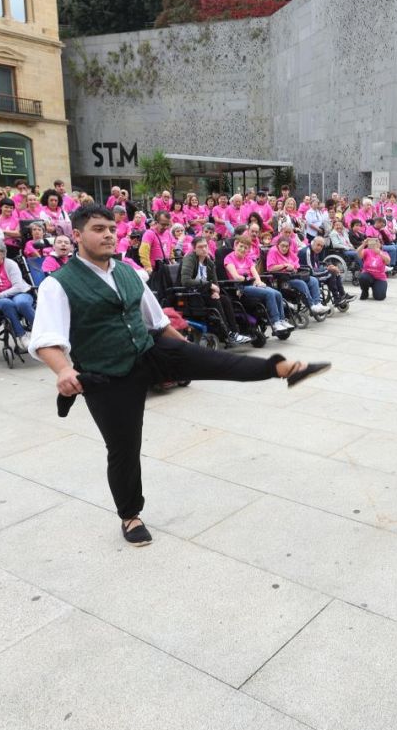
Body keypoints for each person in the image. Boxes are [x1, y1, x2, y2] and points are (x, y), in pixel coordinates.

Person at [28, 205, 328, 546]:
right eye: (98, 229)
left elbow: (158, 322)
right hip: (106, 372)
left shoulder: (128, 273)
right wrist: (64, 369)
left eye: (112, 227)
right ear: (77, 236)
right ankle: (130, 516)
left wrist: (188, 352)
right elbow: (46, 340)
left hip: (147, 351)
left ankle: (281, 368)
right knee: (124, 447)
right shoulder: (59, 284)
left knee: (216, 363)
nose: (109, 234)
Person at [180, 236, 252, 347]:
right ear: (194, 249)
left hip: (204, 292)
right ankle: (227, 333)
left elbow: (215, 282)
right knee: (216, 302)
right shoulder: (189, 259)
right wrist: (209, 285)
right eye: (200, 247)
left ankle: (235, 332)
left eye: (205, 246)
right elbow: (185, 281)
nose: (204, 249)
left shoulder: (209, 262)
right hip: (190, 294)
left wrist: (216, 292)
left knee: (225, 299)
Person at [223, 236, 293, 331]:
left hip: (251, 284)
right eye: (241, 246)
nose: (243, 249)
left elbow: (255, 273)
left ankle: (282, 320)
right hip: (240, 287)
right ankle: (275, 322)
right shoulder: (229, 258)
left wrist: (259, 282)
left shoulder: (247, 259)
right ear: (236, 245)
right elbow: (236, 276)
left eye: (246, 248)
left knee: (278, 293)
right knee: (269, 293)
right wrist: (247, 278)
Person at [357, 234, 391, 301]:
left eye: (377, 242)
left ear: (380, 244)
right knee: (363, 277)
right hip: (368, 275)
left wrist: (380, 253)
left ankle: (375, 287)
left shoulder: (384, 253)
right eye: (374, 242)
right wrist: (364, 244)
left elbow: (388, 261)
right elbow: (358, 254)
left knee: (380, 297)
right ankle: (365, 291)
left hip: (379, 278)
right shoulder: (367, 251)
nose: (375, 244)